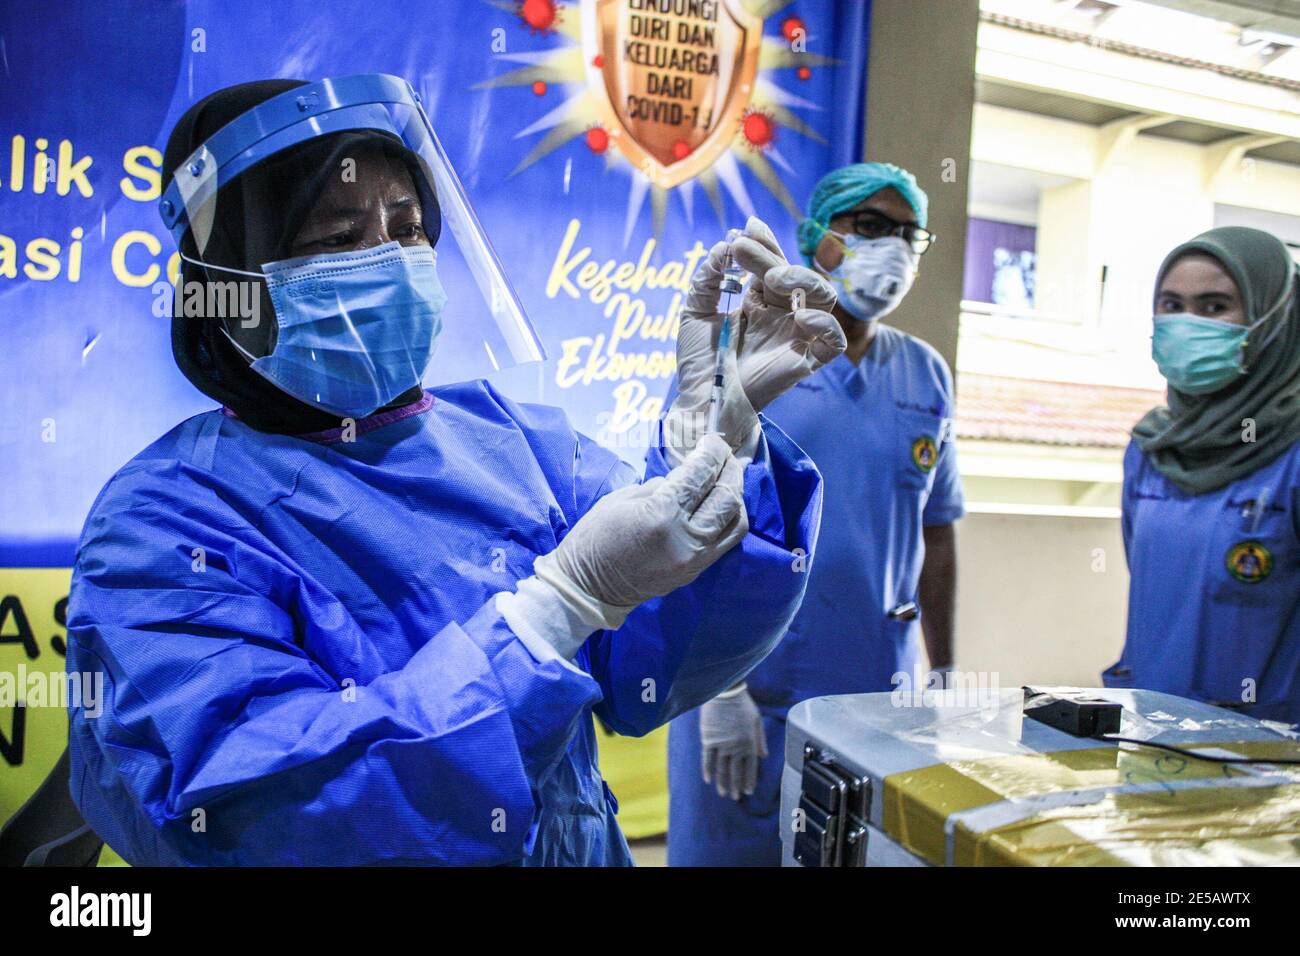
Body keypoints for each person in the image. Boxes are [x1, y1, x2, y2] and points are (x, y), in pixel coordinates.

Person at [64, 74, 846, 866]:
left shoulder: (514, 442)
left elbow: (653, 666)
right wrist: (551, 614)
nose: (392, 264)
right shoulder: (163, 526)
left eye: (407, 229)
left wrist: (717, 445)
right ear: (229, 289)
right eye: (337, 241)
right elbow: (265, 817)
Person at [667, 162, 965, 866]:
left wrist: (946, 673)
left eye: (905, 234)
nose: (888, 247)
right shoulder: (748, 348)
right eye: (866, 227)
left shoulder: (925, 374)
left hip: (871, 686)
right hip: (747, 687)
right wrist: (720, 685)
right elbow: (680, 514)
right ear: (817, 235)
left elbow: (938, 529)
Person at [1108, 225, 1300, 725]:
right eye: (1172, 305)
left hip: (1274, 756)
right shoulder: (1152, 449)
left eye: (1215, 307)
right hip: (1152, 734)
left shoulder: (1292, 452)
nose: (1188, 325)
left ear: (1272, 318)